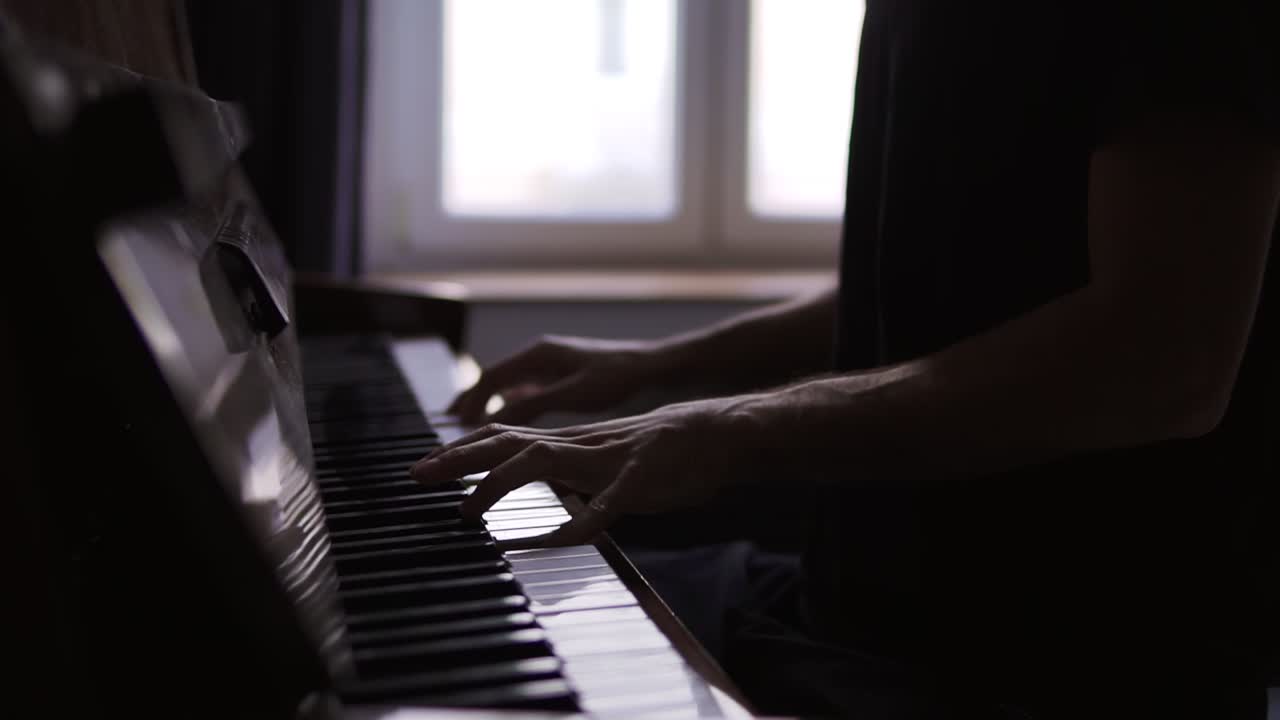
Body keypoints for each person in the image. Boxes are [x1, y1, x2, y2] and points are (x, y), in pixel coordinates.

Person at [413, 2, 1280, 717]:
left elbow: (1167, 363)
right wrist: (658, 367)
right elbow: (917, 288)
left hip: (1054, 667)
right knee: (456, 609)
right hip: (846, 605)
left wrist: (728, 431)